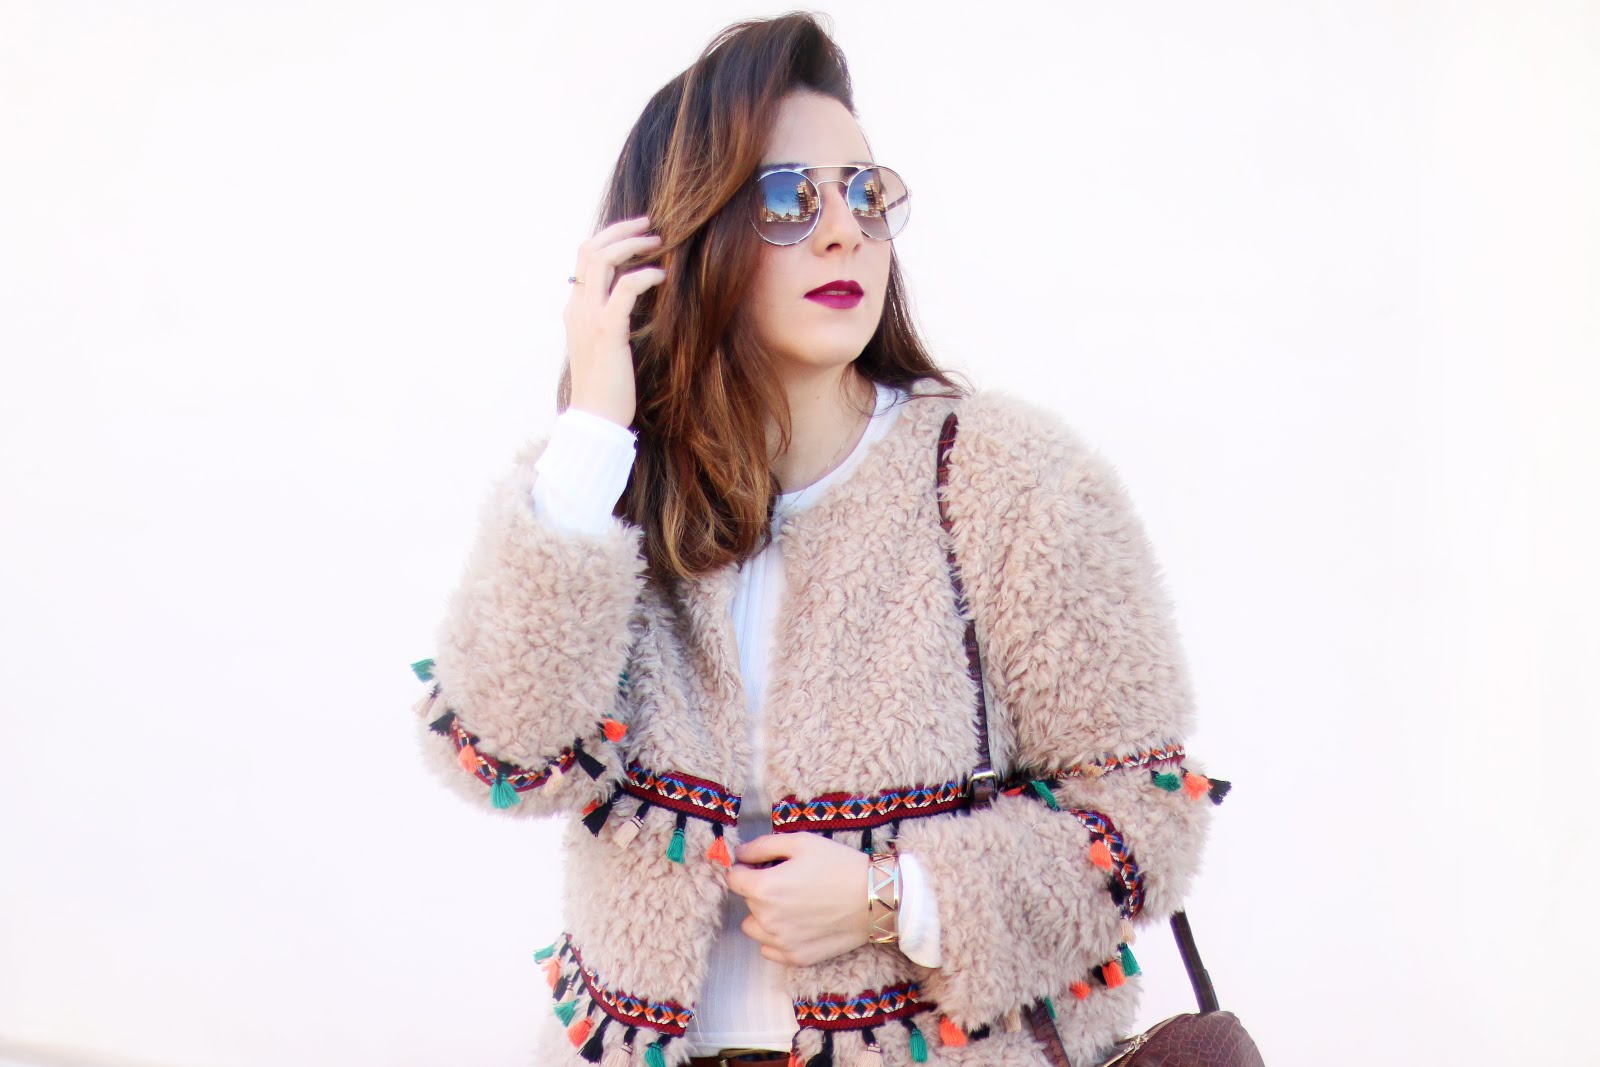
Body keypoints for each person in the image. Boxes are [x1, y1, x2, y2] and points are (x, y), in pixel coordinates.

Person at [410, 13, 1229, 1067]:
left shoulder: (1008, 479)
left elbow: (1147, 815)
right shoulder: (611, 492)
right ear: (682, 239)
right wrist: (595, 427)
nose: (843, 230)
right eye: (788, 199)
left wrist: (898, 897)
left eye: (864, 193)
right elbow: (503, 752)